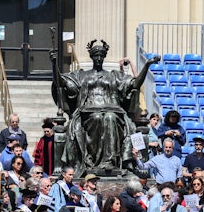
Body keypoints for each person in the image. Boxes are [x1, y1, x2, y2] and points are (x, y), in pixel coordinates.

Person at [51, 40, 159, 174]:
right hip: (88, 112)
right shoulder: (81, 75)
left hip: (113, 111)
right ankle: (93, 163)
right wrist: (54, 64)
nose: (99, 58)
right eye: (96, 55)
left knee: (110, 118)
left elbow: (135, 84)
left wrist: (147, 65)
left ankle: (110, 162)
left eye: (101, 56)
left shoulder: (113, 75)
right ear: (91, 57)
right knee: (96, 117)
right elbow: (60, 82)